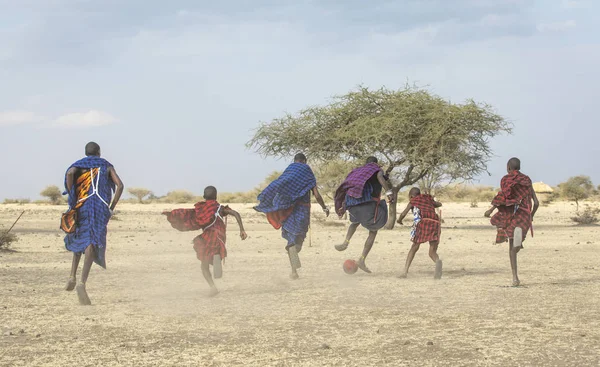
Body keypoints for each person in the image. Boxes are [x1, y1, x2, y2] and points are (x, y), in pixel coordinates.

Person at [63, 142, 124, 305]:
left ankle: (72, 276)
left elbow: (70, 173)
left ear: (86, 153)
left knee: (79, 238)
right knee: (92, 241)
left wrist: (72, 195)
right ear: (98, 152)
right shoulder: (105, 165)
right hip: (99, 207)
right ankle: (82, 282)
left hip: (81, 205)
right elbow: (120, 185)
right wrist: (111, 208)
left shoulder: (79, 165)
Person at [254, 153, 329, 279]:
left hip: (287, 210)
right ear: (305, 160)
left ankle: (294, 270)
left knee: (291, 238)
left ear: (294, 161)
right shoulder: (306, 171)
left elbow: (279, 184)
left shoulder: (290, 170)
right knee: (299, 238)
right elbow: (316, 194)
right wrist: (324, 207)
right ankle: (295, 249)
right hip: (302, 210)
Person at [163, 186, 247, 297]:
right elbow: (236, 213)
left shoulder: (201, 210)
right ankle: (216, 258)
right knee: (215, 253)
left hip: (207, 237)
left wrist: (171, 214)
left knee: (204, 265)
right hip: (219, 237)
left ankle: (213, 287)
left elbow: (186, 214)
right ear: (216, 196)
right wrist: (242, 230)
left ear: (203, 196)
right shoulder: (220, 209)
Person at [484, 157, 539, 286]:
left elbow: (502, 197)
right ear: (518, 167)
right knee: (516, 245)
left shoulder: (505, 180)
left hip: (511, 215)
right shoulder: (526, 180)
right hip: (524, 215)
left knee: (511, 248)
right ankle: (518, 244)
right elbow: (536, 203)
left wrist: (490, 210)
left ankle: (515, 278)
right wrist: (531, 215)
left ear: (508, 167)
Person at [333, 157, 393, 273]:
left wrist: (343, 205)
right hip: (367, 203)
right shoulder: (376, 170)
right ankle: (362, 259)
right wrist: (389, 192)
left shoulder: (357, 172)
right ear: (376, 163)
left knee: (355, 222)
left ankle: (346, 242)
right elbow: (380, 177)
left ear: (366, 163)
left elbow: (347, 185)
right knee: (373, 230)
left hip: (352, 203)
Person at [396, 187, 443, 279]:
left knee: (414, 247)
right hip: (435, 224)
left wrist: (399, 220)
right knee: (432, 252)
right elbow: (439, 204)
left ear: (411, 196)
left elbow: (403, 214)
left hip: (423, 224)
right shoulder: (427, 199)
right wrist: (431, 200)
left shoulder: (414, 201)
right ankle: (437, 262)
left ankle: (405, 272)